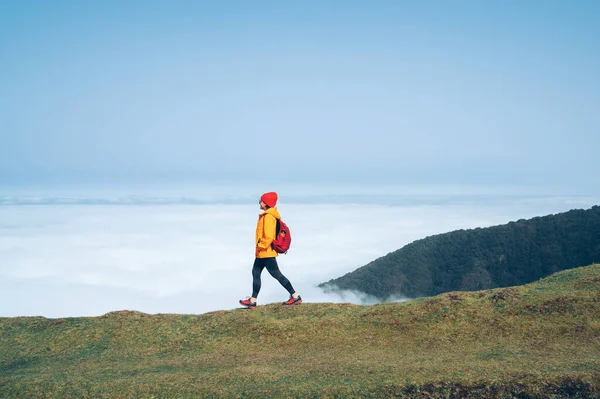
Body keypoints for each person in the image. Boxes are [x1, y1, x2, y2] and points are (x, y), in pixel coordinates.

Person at [239, 192, 301, 308]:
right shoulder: (267, 215)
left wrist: (260, 246)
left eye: (261, 200)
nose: (259, 202)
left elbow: (269, 236)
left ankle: (295, 296)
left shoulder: (268, 217)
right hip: (263, 252)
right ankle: (252, 300)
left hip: (266, 252)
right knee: (256, 272)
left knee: (277, 275)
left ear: (266, 203)